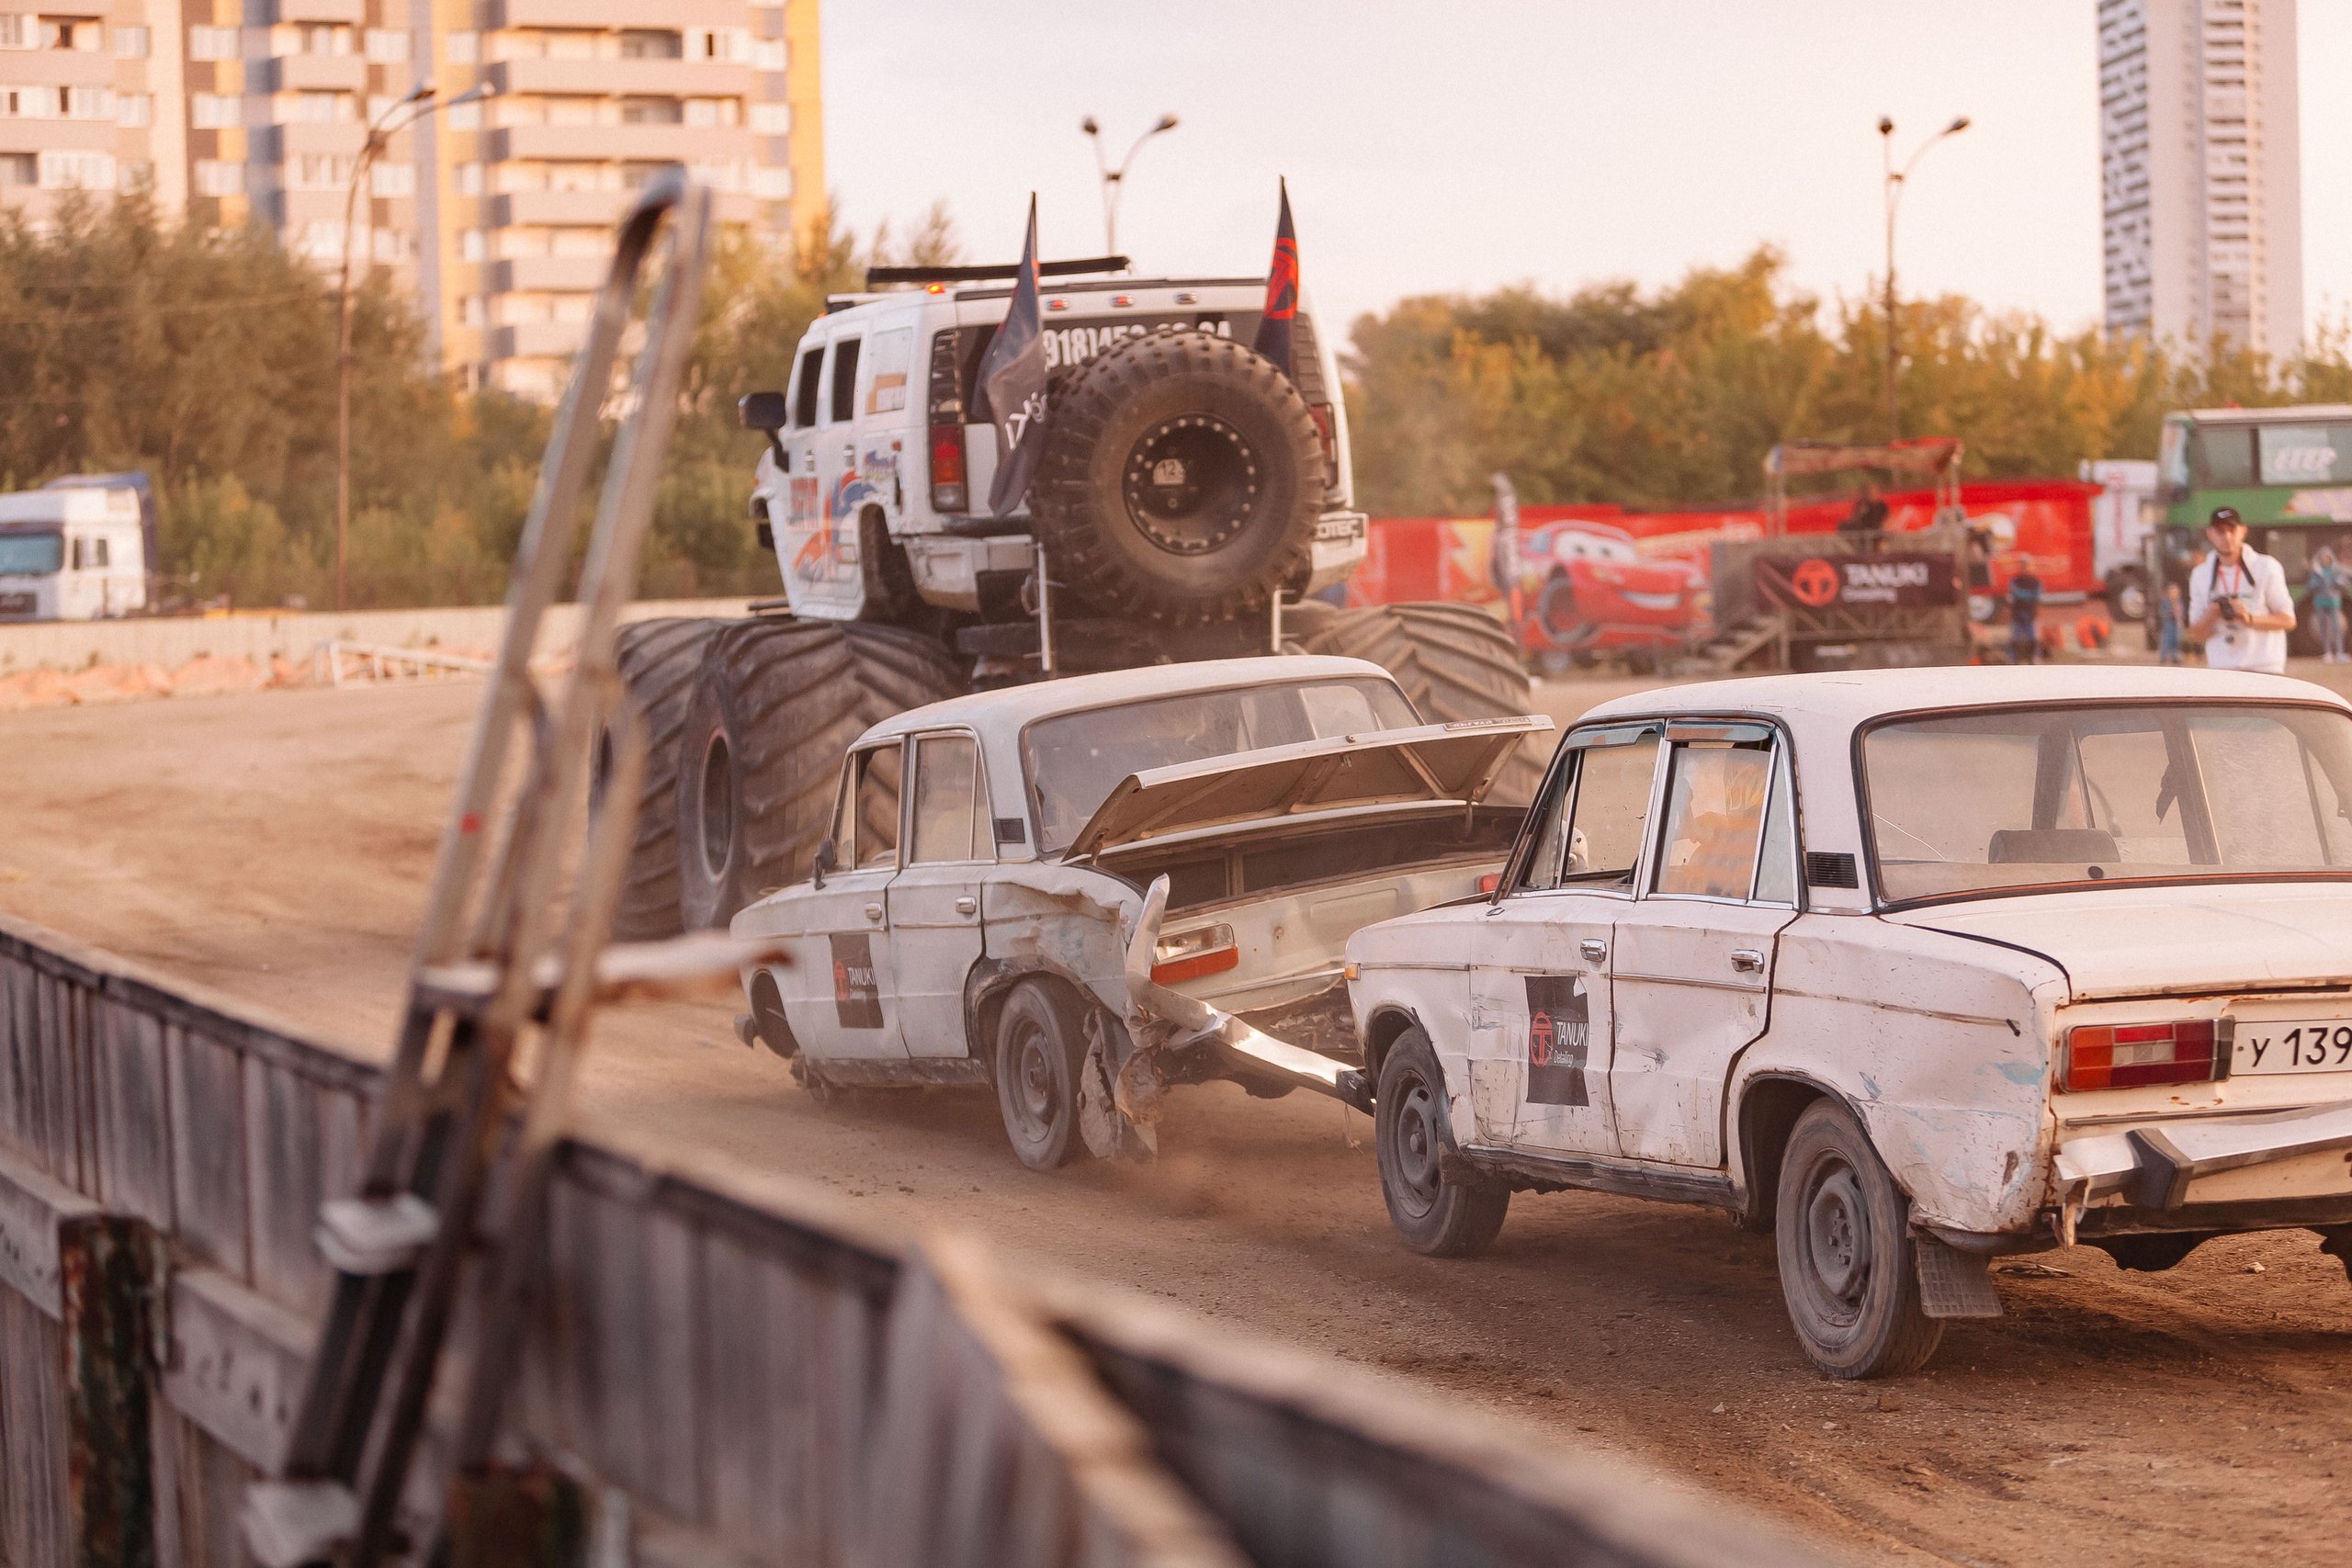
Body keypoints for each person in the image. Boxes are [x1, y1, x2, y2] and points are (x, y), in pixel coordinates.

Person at [2188, 506, 2297, 674]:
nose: (2227, 537)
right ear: (2210, 534)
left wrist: (2250, 619)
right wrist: (2211, 616)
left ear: (2243, 531)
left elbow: (2288, 620)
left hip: (2264, 667)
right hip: (2222, 670)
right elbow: (2197, 636)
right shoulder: (2200, 574)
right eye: (2220, 531)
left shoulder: (2266, 566)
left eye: (2232, 530)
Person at [2310, 547, 2346, 663]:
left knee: (2337, 627)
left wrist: (2339, 582)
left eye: (2327, 557)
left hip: (2333, 601)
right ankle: (2327, 653)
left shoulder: (2336, 570)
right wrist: (2314, 584)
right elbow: (2309, 587)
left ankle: (2340, 653)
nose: (2325, 559)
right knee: (2323, 628)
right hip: (2320, 602)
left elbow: (2344, 583)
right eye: (2322, 557)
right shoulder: (2315, 570)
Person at [2007, 565, 2043, 665]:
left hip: (2030, 614)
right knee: (2015, 639)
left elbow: (2037, 596)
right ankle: (2013, 660)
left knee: (2033, 639)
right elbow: (2013, 592)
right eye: (2023, 567)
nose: (2025, 570)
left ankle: (2034, 659)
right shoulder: (2015, 580)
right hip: (2017, 614)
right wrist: (2027, 594)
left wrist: (2021, 593)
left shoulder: (2035, 582)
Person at [2156, 581, 2184, 666]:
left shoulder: (2179, 602)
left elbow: (2182, 612)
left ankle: (2175, 656)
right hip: (2168, 623)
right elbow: (2162, 612)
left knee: (2176, 640)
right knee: (2166, 640)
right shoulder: (2165, 602)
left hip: (2177, 623)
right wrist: (2170, 613)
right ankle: (2163, 657)